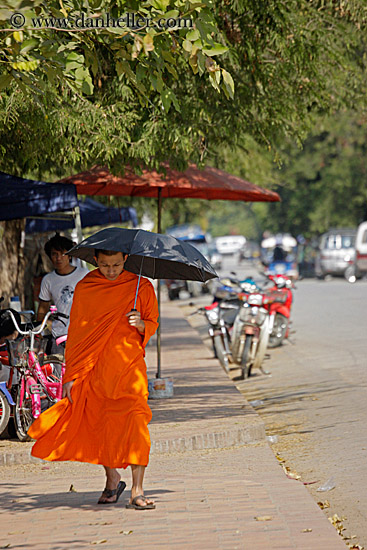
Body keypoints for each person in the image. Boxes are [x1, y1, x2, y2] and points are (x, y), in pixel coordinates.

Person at [28, 249, 159, 510]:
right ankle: (112, 478)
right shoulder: (87, 287)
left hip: (129, 369)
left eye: (116, 265)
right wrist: (70, 375)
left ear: (126, 260)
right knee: (102, 424)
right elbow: (77, 332)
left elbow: (152, 322)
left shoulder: (140, 286)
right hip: (94, 370)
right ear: (95, 262)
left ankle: (137, 489)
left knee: (136, 422)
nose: (111, 271)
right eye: (105, 265)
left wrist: (141, 324)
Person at [37, 233, 89, 355]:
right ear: (50, 257)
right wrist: (38, 330)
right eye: (54, 254)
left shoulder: (84, 275)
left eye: (63, 253)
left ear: (70, 255)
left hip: (82, 333)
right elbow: (43, 307)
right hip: (59, 334)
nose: (58, 258)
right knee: (57, 371)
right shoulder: (48, 279)